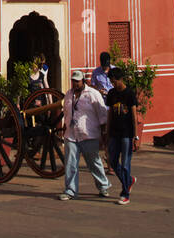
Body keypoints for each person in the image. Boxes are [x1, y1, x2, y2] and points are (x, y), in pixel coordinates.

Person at [58, 69, 111, 201]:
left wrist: (104, 132)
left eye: (77, 81)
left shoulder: (93, 94)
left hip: (89, 134)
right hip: (71, 134)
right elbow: (66, 111)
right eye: (73, 81)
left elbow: (102, 113)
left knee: (94, 162)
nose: (75, 84)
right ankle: (70, 190)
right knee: (70, 163)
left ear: (83, 81)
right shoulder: (68, 95)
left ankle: (103, 186)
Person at [105, 66, 139, 205]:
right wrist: (107, 133)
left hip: (126, 133)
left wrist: (135, 136)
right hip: (114, 133)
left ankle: (125, 193)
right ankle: (128, 181)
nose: (112, 84)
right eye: (111, 81)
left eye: (113, 81)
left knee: (125, 164)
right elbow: (110, 114)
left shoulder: (129, 94)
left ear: (120, 79)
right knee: (112, 161)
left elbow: (134, 116)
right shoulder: (111, 94)